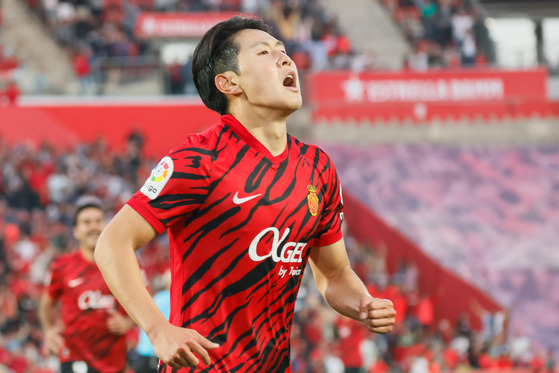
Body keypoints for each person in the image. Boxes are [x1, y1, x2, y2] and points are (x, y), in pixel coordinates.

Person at [95, 16, 396, 372]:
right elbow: (112, 243)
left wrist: (363, 303)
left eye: (284, 51)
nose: (286, 59)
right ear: (229, 83)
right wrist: (157, 328)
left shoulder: (318, 168)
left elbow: (333, 274)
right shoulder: (200, 160)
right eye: (265, 52)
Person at [38, 196, 137, 373]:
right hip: (75, 356)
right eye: (86, 222)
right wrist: (49, 330)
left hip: (114, 360)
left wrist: (128, 322)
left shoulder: (124, 263)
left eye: (98, 221)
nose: (93, 226)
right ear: (76, 231)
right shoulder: (61, 265)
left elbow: (143, 300)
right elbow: (46, 305)